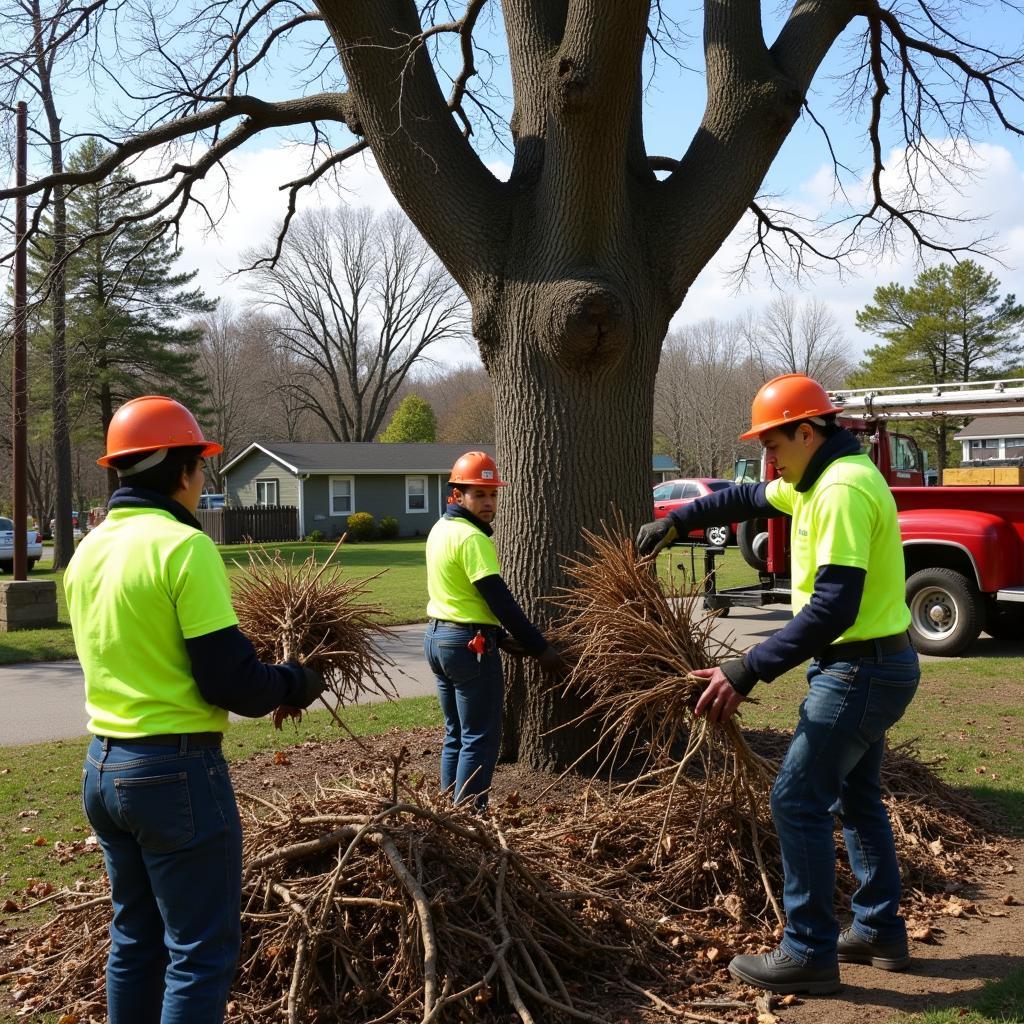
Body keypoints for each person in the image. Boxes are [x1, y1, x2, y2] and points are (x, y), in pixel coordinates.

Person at [636, 374, 920, 995]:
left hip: (859, 668)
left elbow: (833, 608)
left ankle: (808, 952)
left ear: (808, 431)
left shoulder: (842, 489)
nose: (770, 458)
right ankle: (878, 931)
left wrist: (747, 666)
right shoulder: (814, 480)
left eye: (775, 443)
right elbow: (742, 498)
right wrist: (677, 520)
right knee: (856, 797)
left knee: (796, 798)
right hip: (874, 665)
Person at [64, 396, 326, 1024]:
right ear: (181, 471)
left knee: (134, 940)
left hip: (103, 768)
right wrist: (294, 681)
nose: (203, 481)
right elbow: (229, 682)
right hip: (174, 775)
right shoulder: (185, 548)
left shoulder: (87, 553)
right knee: (200, 951)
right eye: (202, 468)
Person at [424, 451, 565, 808]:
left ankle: (446, 814)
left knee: (456, 733)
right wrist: (540, 648)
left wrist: (499, 636)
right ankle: (470, 818)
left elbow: (459, 593)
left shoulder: (441, 529)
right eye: (479, 494)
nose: (488, 503)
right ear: (456, 496)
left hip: (438, 639)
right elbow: (500, 600)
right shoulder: (473, 539)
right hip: (468, 646)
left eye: (493, 495)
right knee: (480, 738)